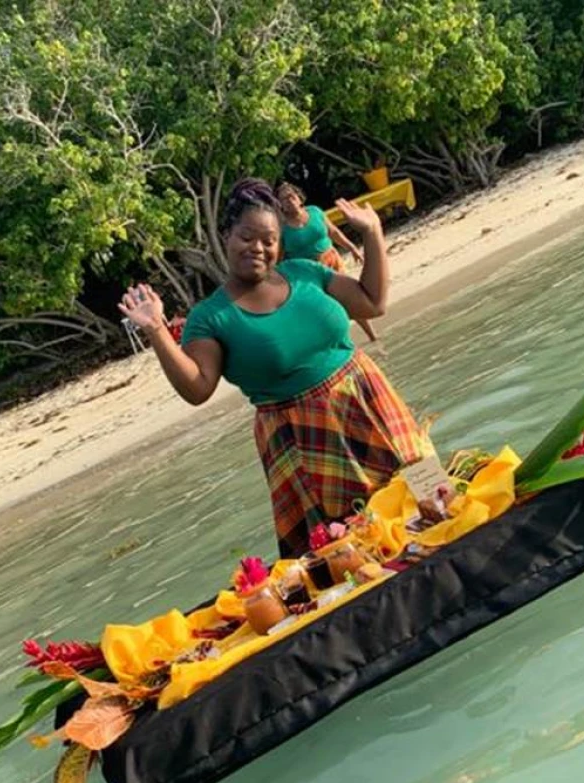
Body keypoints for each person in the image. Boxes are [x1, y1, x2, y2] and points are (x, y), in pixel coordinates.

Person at [118, 178, 426, 558]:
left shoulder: (304, 272)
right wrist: (157, 331)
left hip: (368, 401)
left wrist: (373, 232)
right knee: (351, 551)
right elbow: (198, 388)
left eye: (269, 240)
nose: (259, 248)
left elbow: (372, 302)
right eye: (247, 237)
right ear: (227, 234)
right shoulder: (210, 316)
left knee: (429, 505)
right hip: (302, 437)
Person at [276, 181, 379, 344]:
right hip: (309, 273)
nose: (289, 200)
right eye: (284, 199)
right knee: (328, 309)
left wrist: (352, 248)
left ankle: (373, 337)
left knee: (352, 299)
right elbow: (279, 257)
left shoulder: (315, 212)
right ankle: (342, 343)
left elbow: (333, 232)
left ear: (299, 197)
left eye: (291, 196)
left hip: (332, 261)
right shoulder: (282, 229)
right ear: (281, 206)